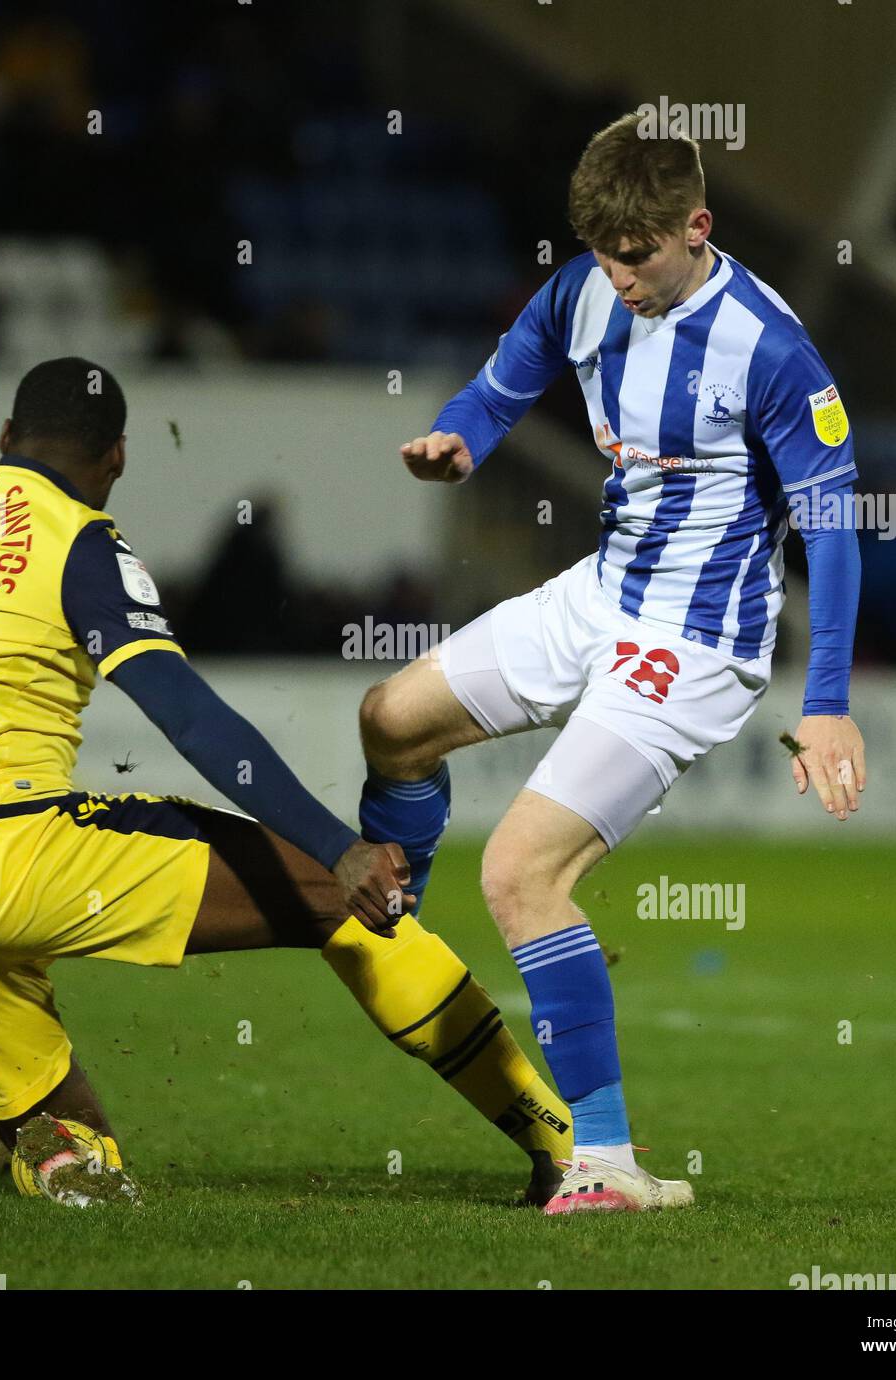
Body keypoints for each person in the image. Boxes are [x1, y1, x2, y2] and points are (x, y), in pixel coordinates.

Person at [0, 356, 572, 1206]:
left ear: (5, 439)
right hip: (8, 846)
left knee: (87, 1174)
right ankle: (563, 1145)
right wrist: (337, 849)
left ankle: (67, 1169)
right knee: (353, 909)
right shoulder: (77, 537)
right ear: (117, 458)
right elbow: (190, 717)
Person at [356, 115, 867, 1215]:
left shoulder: (769, 348)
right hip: (602, 592)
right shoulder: (582, 291)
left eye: (637, 253)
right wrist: (459, 439)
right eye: (600, 252)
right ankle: (395, 911)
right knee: (392, 719)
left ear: (697, 227)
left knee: (524, 873)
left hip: (695, 643)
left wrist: (825, 704)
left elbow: (830, 526)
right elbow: (498, 389)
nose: (618, 276)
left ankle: (605, 1162)